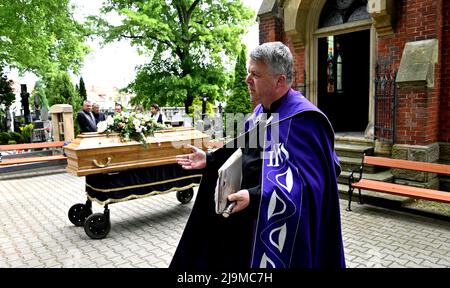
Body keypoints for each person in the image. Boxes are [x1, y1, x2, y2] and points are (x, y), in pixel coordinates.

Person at [170, 42, 345, 268]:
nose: (247, 79)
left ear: (279, 80)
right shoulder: (261, 110)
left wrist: (256, 197)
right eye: (248, 72)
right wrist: (210, 159)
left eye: (255, 74)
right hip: (248, 221)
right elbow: (243, 147)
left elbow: (311, 185)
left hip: (282, 230)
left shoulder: (307, 120)